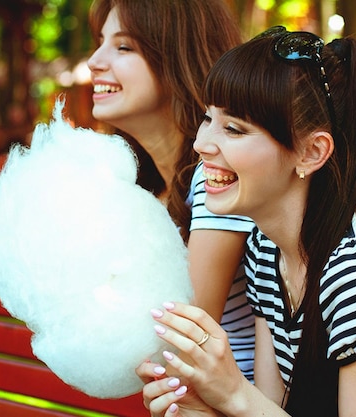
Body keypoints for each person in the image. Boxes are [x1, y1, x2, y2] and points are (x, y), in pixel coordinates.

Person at [137, 26, 356, 416]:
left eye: (234, 129)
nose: (202, 143)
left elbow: (252, 404)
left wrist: (233, 393)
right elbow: (273, 409)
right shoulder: (266, 248)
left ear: (311, 152)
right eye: (209, 119)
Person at [86, 0, 256, 380]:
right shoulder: (145, 188)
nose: (94, 61)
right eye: (100, 41)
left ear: (178, 57)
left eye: (123, 46)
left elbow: (176, 334)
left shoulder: (216, 175)